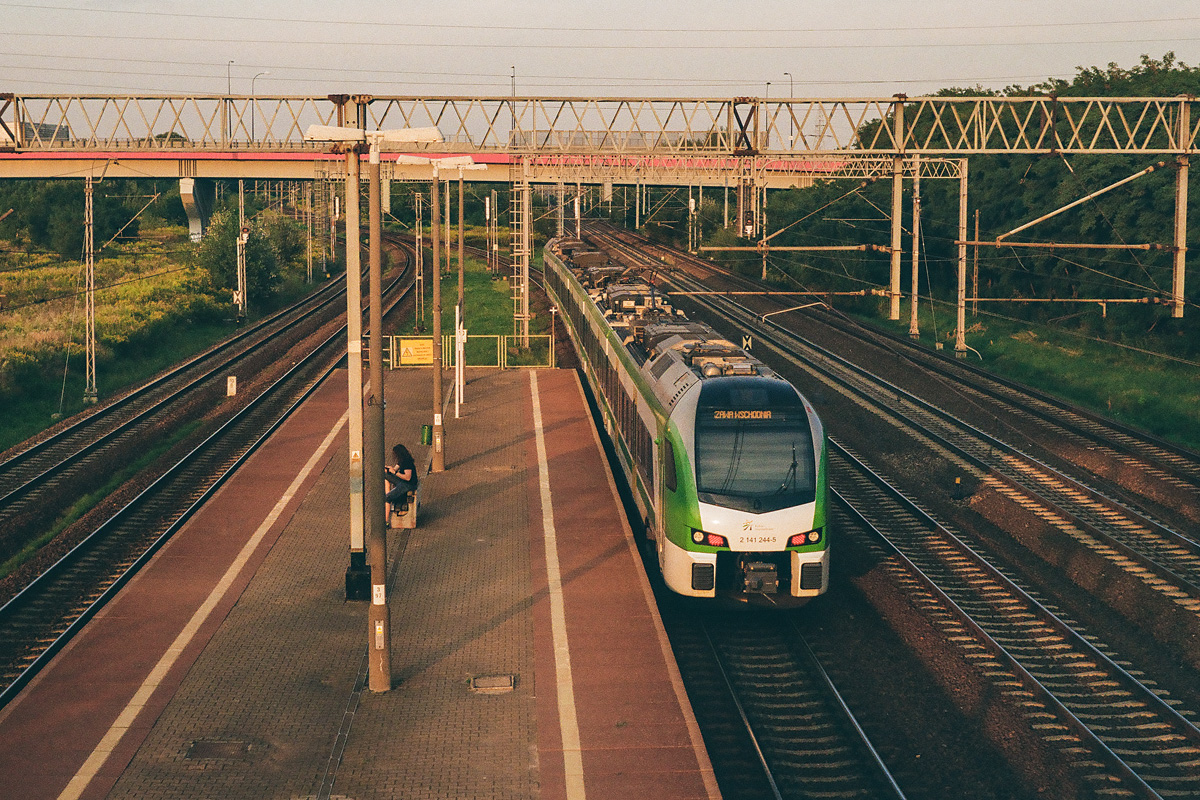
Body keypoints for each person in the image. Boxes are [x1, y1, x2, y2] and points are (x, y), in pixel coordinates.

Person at [384, 443, 419, 521]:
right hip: (403, 482)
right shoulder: (402, 461)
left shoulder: (407, 463)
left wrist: (395, 473)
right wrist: (388, 469)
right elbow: (395, 469)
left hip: (408, 484)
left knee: (387, 498)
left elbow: (407, 478)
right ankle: (388, 491)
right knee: (385, 475)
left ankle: (386, 521)